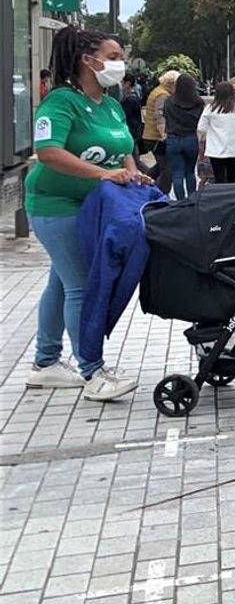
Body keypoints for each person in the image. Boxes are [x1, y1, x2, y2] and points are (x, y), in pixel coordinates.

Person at [24, 25, 149, 401]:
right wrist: (101, 174)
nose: (120, 64)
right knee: (81, 285)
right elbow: (48, 151)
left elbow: (124, 150)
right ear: (88, 60)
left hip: (93, 208)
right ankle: (92, 371)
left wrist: (131, 171)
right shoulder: (61, 102)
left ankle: (46, 362)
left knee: (61, 282)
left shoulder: (111, 105)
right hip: (56, 205)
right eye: (113, 57)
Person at [198, 81, 235, 184]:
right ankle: (231, 193)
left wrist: (203, 138)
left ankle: (221, 193)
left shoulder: (210, 108)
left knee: (218, 177)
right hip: (234, 148)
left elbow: (201, 128)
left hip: (215, 149)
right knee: (232, 177)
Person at [163, 74, 205, 199]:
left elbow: (165, 117)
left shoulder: (169, 101)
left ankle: (180, 202)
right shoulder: (198, 103)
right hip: (191, 138)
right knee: (190, 172)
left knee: (177, 174)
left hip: (173, 139)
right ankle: (191, 199)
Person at [142, 70, 178, 193]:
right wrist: (164, 135)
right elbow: (159, 116)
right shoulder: (162, 95)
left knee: (159, 167)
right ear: (172, 83)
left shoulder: (157, 91)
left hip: (150, 135)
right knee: (168, 169)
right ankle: (162, 194)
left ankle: (142, 184)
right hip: (156, 137)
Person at [120, 75, 144, 146]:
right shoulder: (134, 96)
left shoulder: (130, 100)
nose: (121, 84)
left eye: (122, 82)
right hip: (135, 130)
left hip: (131, 130)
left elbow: (125, 115)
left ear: (128, 83)